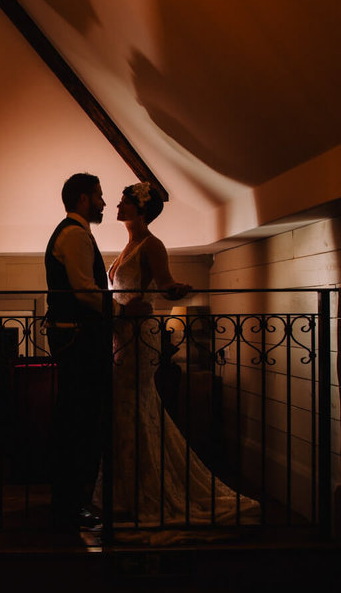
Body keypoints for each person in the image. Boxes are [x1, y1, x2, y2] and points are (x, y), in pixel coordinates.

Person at [104, 182, 260, 538]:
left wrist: (175, 290)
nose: (117, 204)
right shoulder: (128, 245)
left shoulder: (152, 245)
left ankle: (148, 489)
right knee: (124, 409)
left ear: (140, 209)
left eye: (124, 201)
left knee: (136, 406)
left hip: (138, 337)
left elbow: (163, 283)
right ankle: (126, 488)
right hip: (119, 336)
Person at [44, 172, 129, 530]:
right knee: (79, 422)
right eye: (98, 195)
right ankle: (71, 506)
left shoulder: (72, 233)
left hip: (75, 340)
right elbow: (85, 292)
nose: (104, 202)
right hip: (78, 342)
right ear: (82, 199)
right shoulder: (75, 235)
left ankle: (70, 502)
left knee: (77, 420)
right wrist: (123, 313)